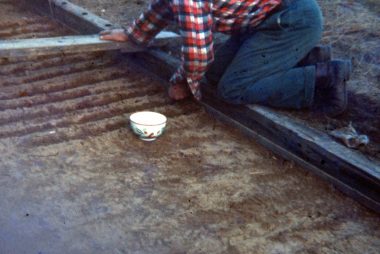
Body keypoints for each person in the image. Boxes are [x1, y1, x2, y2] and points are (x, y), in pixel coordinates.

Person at [100, 0, 351, 117]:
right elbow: (163, 5)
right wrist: (134, 34)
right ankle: (303, 56)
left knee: (233, 89)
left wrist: (183, 82)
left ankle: (324, 76)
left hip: (292, 21)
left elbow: (199, 54)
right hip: (261, 21)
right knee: (215, 75)